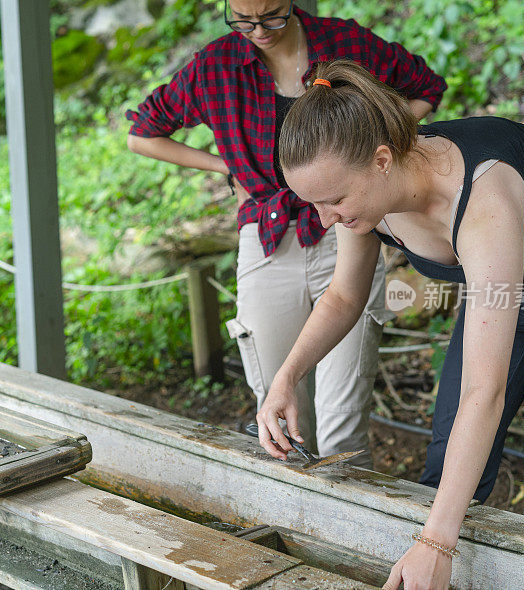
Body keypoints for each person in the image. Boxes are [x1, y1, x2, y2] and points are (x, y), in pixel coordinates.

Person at [258, 58, 524, 589]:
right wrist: (286, 377)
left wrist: (435, 542)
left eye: (333, 201)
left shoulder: (482, 198)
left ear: (380, 161)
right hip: (498, 282)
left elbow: (483, 391)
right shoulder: (365, 194)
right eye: (314, 203)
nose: (325, 218)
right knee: (446, 469)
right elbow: (344, 296)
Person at [126, 0, 446, 466]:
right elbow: (141, 133)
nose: (258, 30)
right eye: (242, 19)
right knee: (280, 411)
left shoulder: (345, 44)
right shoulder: (215, 66)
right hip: (267, 234)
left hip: (348, 227)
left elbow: (425, 87)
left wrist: (379, 152)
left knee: (343, 416)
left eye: (273, 15)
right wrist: (227, 167)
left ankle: (350, 529)